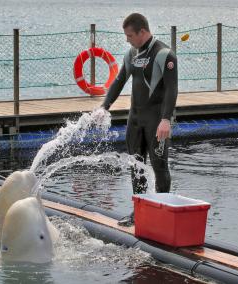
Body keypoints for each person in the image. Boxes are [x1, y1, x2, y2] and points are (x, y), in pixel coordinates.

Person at [100, 13, 178, 226]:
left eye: (129, 35)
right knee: (136, 166)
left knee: (159, 166)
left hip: (156, 122)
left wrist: (166, 120)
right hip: (134, 121)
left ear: (142, 32)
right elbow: (118, 81)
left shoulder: (164, 54)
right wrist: (104, 107)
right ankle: (140, 213)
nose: (127, 39)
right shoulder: (131, 53)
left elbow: (172, 89)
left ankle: (162, 213)